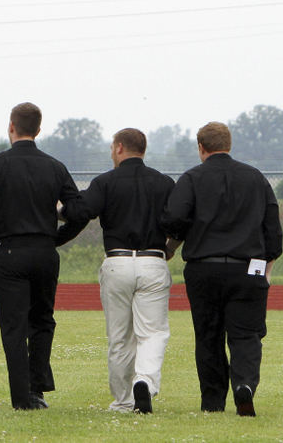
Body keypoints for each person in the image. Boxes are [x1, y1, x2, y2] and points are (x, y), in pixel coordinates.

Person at [0, 102, 83, 410]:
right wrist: (56, 236)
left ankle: (20, 396)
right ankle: (37, 389)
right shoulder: (54, 166)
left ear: (10, 127)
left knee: (14, 327)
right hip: (44, 251)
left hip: (11, 252)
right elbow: (79, 212)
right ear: (38, 130)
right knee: (42, 320)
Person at [160, 122, 283, 416]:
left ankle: (213, 402)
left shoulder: (191, 178)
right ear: (229, 144)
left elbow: (174, 218)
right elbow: (273, 233)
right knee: (246, 335)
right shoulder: (256, 179)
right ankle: (245, 386)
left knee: (208, 336)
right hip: (247, 269)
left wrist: (177, 240)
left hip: (204, 269)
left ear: (201, 148)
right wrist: (265, 265)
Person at [56, 128, 176, 413]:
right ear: (142, 149)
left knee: (120, 336)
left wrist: (58, 209)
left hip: (117, 261)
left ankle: (123, 401)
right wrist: (170, 247)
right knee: (152, 332)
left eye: (112, 147)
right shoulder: (164, 184)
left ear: (120, 147)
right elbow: (180, 220)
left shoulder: (105, 182)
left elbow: (81, 212)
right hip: (153, 260)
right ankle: (144, 380)